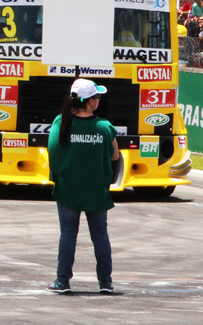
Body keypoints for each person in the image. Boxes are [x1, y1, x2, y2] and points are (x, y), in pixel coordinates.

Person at [47, 78, 120, 294]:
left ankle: (62, 281)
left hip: (68, 188)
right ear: (90, 102)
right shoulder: (105, 127)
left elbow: (52, 152)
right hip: (97, 190)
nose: (99, 100)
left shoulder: (61, 122)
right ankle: (105, 282)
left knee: (68, 234)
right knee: (100, 235)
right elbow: (115, 155)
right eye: (97, 97)